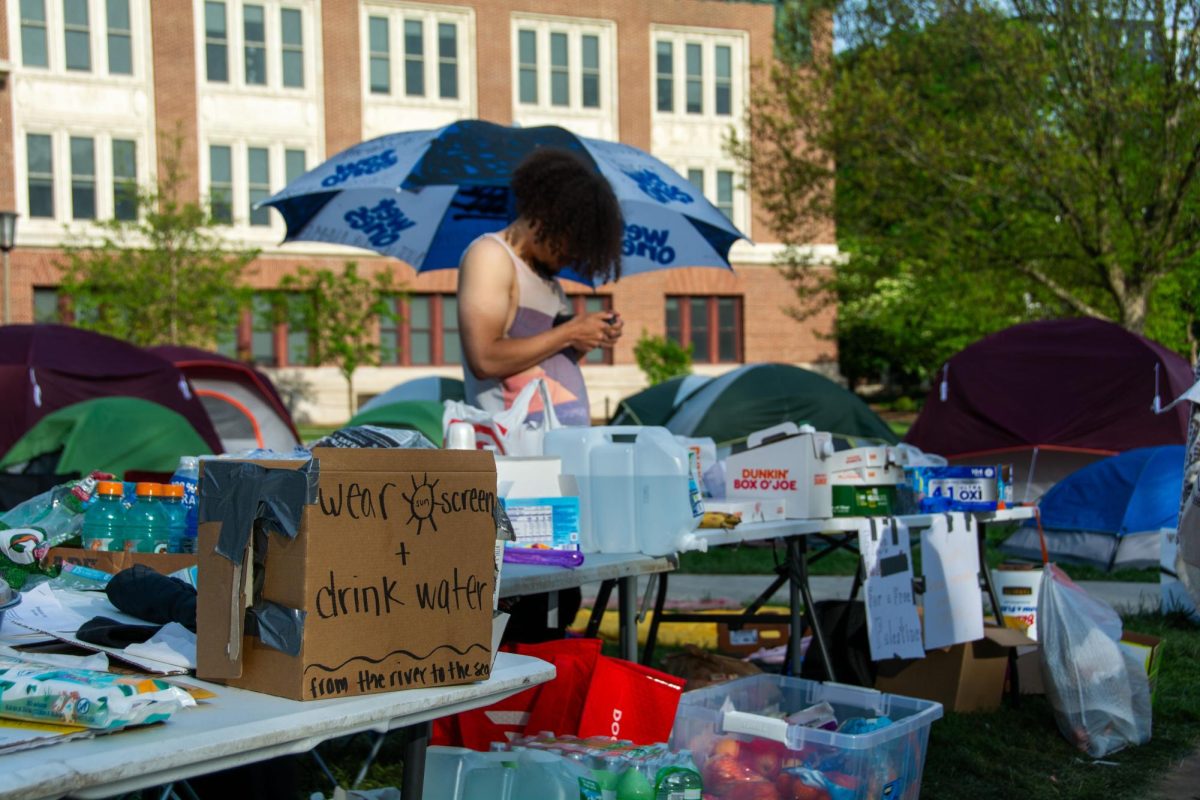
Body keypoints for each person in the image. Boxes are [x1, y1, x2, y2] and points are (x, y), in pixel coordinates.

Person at [457, 147, 625, 426]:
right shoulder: (490, 256)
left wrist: (588, 336)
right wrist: (570, 332)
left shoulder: (549, 281)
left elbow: (544, 361)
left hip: (559, 446)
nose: (574, 257)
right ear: (550, 218)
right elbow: (485, 360)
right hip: (516, 454)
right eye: (574, 243)